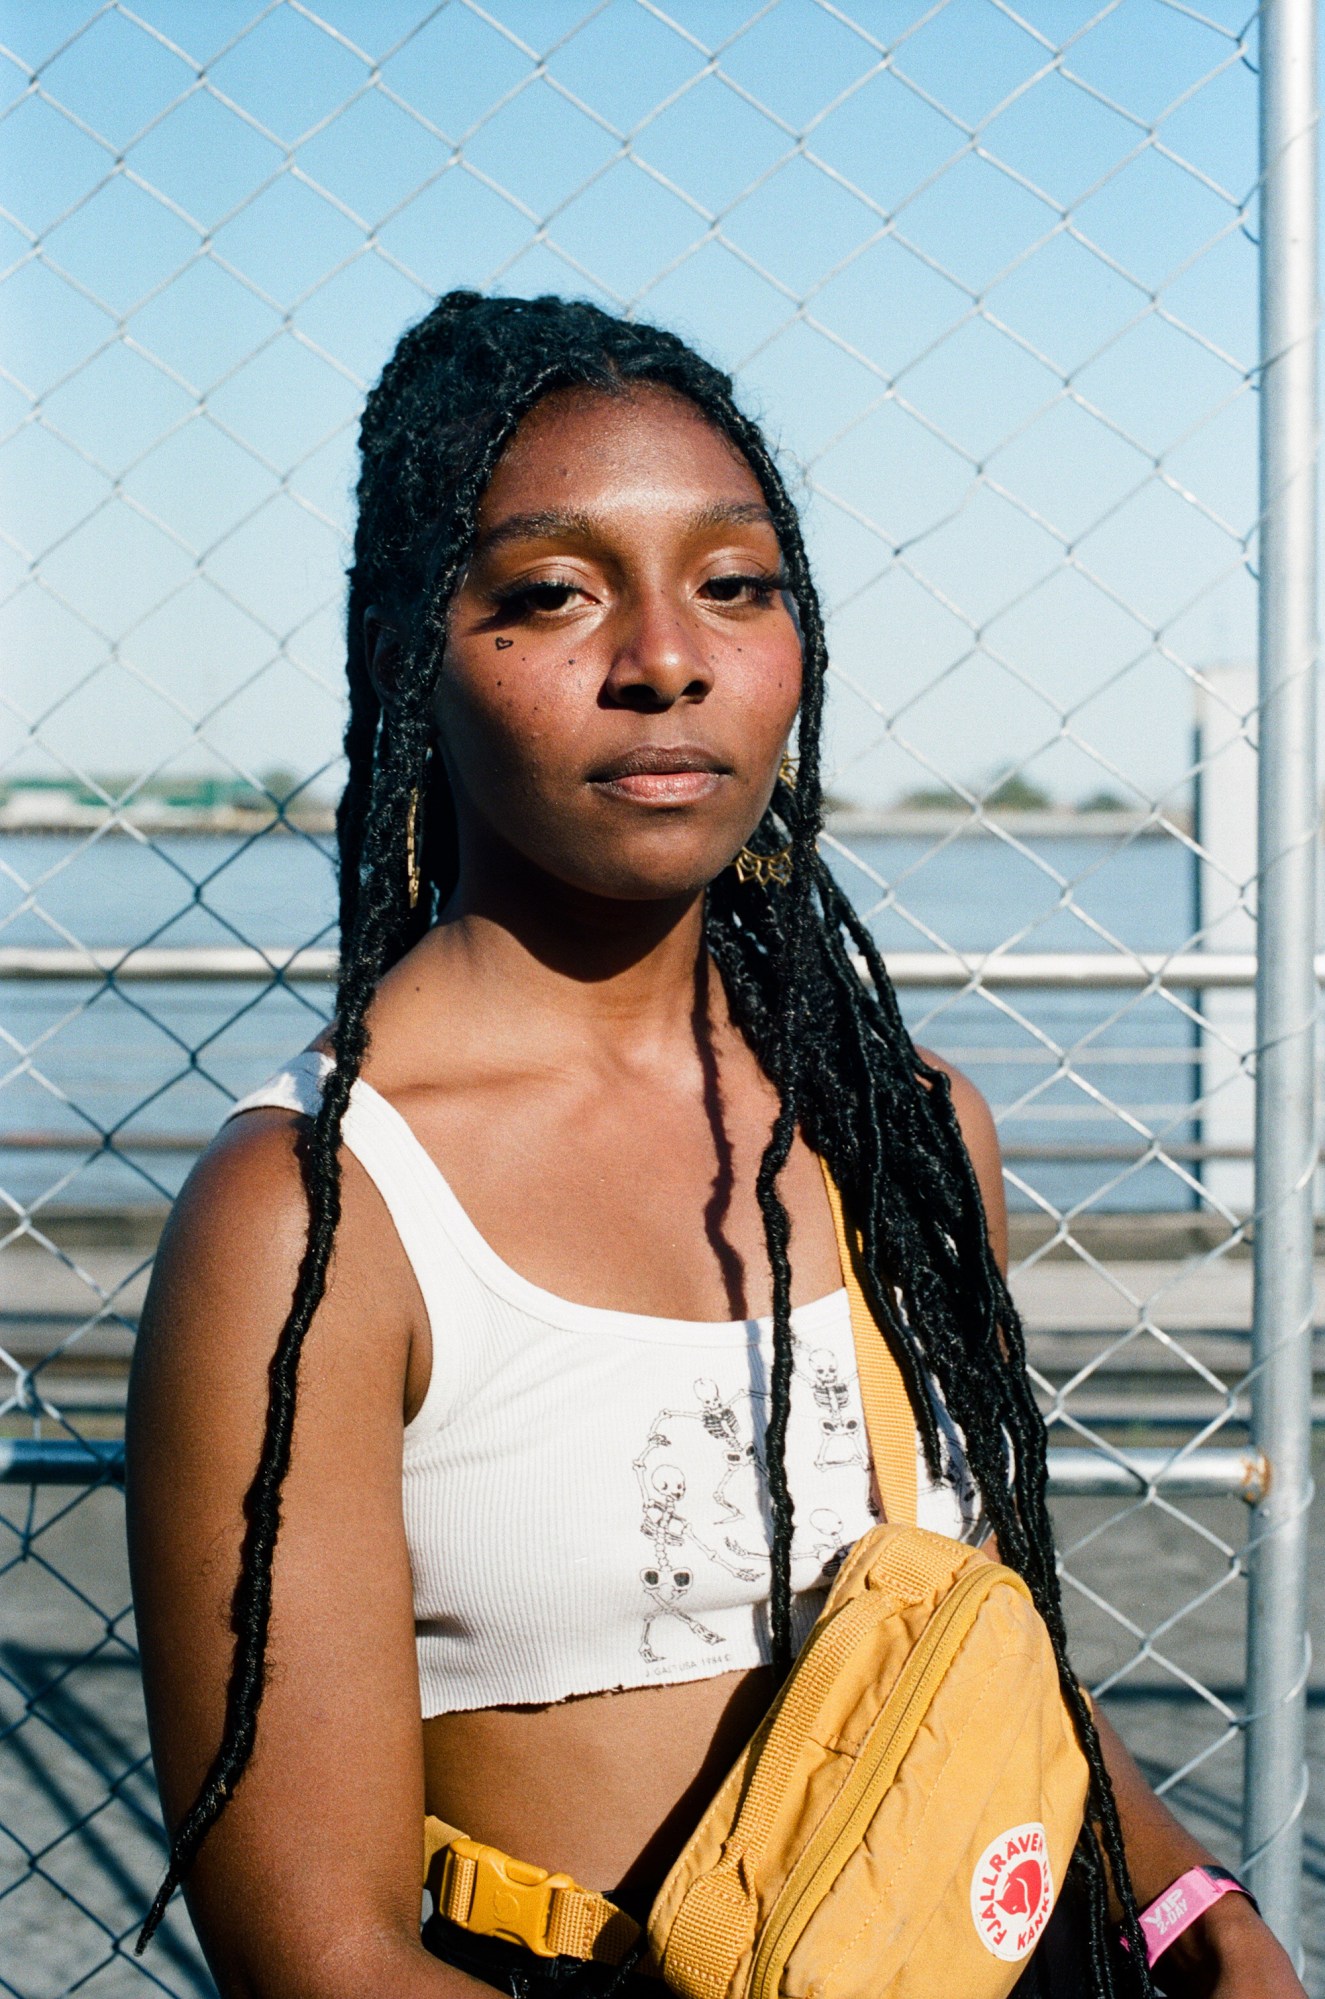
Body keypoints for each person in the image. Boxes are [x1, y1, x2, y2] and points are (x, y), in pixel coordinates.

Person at [125, 293, 1304, 1999]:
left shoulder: (902, 1129)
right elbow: (321, 1955)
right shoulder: (316, 1219)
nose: (664, 656)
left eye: (734, 585)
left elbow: (951, 1638)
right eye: (549, 592)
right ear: (412, 655)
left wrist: (1198, 1912)